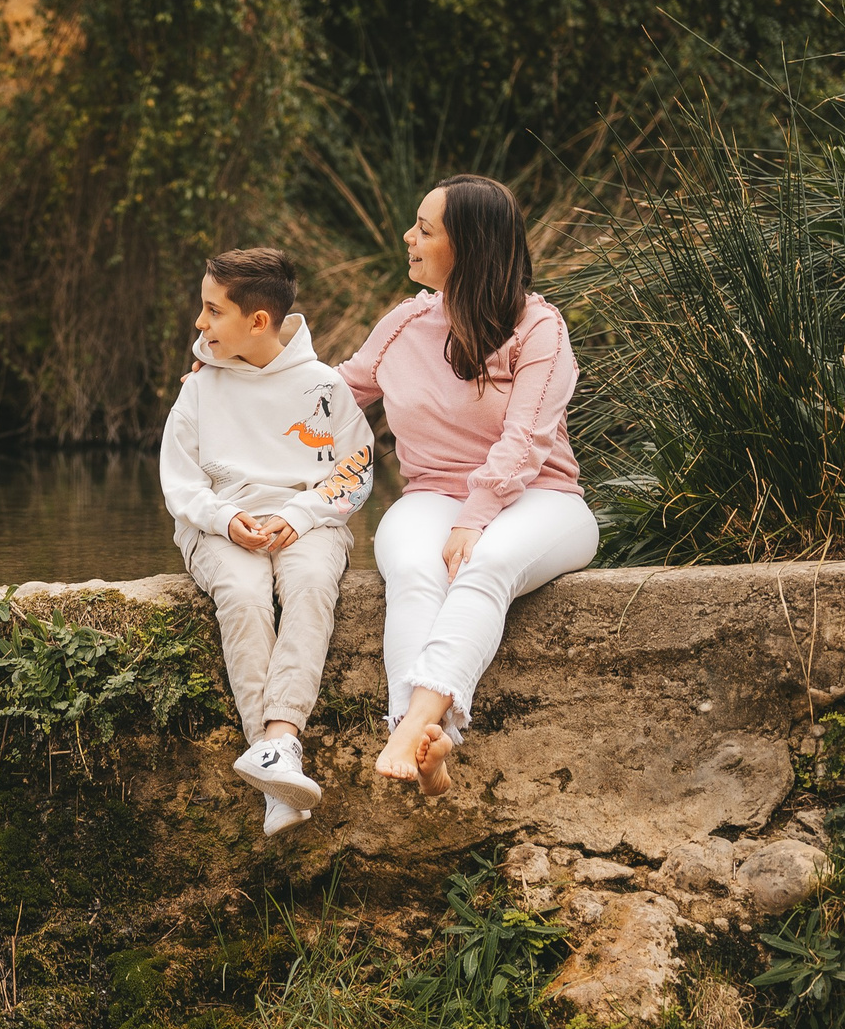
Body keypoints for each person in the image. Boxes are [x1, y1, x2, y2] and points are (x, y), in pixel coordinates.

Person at [341, 174, 597, 796]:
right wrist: (234, 378)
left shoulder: (539, 328)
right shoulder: (405, 323)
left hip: (544, 497)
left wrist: (475, 515)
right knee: (414, 568)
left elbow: (527, 438)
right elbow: (335, 394)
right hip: (431, 495)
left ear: (472, 246)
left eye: (424, 229)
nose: (408, 237)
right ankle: (435, 747)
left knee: (484, 564)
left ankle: (410, 724)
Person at [161, 248, 375, 837]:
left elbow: (354, 469)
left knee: (308, 583)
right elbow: (179, 479)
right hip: (220, 523)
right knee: (245, 593)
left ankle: (279, 740)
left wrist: (303, 514)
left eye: (212, 310)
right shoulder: (200, 388)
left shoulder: (323, 387)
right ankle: (275, 763)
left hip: (307, 520)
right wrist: (226, 520)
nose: (199, 324)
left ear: (258, 321)